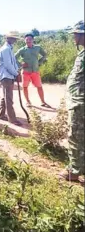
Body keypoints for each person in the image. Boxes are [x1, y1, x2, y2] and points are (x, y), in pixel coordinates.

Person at [59, 21, 84, 184]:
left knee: (75, 135)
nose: (74, 37)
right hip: (77, 101)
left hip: (80, 103)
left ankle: (74, 172)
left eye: (76, 34)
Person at [15, 33, 49, 108]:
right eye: (27, 39)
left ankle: (43, 101)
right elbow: (14, 58)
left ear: (33, 40)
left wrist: (39, 62)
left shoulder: (38, 48)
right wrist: (20, 64)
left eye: (30, 39)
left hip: (35, 71)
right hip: (25, 72)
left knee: (39, 86)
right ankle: (28, 102)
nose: (28, 41)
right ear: (25, 40)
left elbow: (45, 55)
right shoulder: (22, 50)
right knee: (25, 87)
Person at [0, 32, 22, 126]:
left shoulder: (9, 48)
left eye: (15, 38)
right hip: (6, 76)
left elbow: (13, 63)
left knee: (5, 96)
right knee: (9, 98)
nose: (14, 40)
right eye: (12, 38)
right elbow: (7, 65)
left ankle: (1, 114)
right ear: (7, 38)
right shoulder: (6, 49)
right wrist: (16, 73)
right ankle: (12, 119)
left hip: (9, 75)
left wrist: (16, 72)